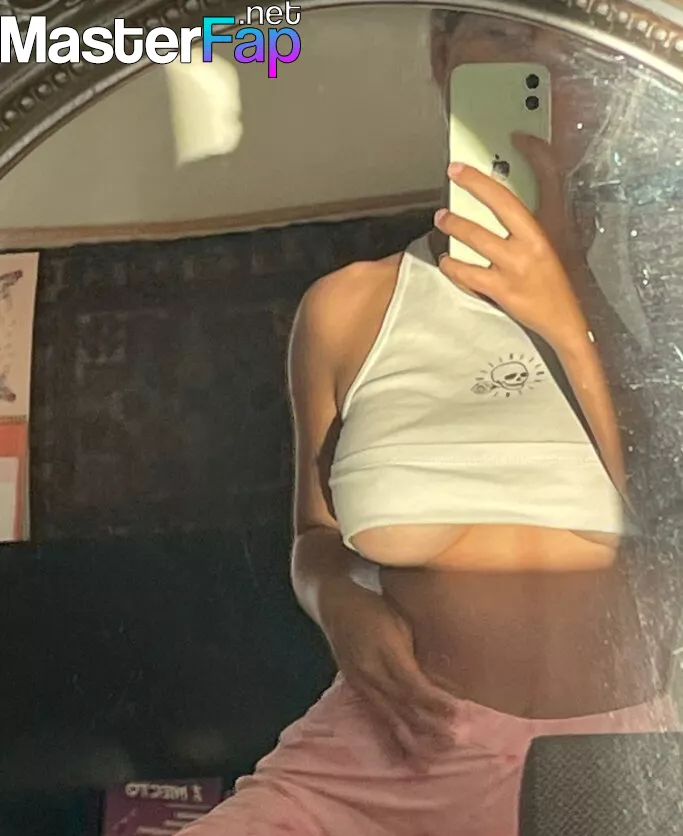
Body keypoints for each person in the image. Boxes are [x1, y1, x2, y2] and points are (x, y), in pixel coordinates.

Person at [180, 12, 678, 836]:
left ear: (621, 87)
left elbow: (669, 499)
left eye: (577, 50)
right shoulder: (347, 306)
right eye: (508, 37)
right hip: (376, 761)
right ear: (444, 56)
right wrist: (336, 602)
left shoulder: (664, 293)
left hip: (611, 777)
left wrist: (570, 299)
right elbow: (314, 534)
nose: (545, 71)